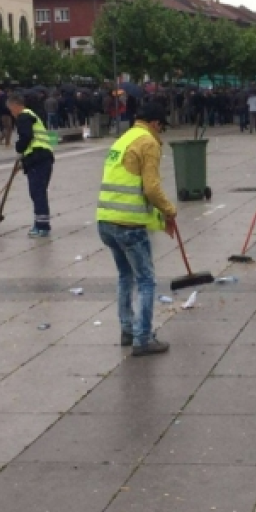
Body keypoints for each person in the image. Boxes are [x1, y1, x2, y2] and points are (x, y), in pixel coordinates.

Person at [97, 102, 177, 357]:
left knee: (125, 276)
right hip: (128, 223)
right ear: (155, 123)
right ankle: (142, 338)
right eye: (161, 128)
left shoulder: (123, 139)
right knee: (146, 280)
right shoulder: (147, 142)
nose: (160, 133)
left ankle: (128, 330)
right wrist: (169, 210)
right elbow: (151, 188)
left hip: (105, 220)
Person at [7, 93, 55, 238]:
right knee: (38, 192)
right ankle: (40, 223)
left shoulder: (23, 117)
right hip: (42, 157)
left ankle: (42, 226)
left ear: (15, 106)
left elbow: (26, 137)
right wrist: (24, 162)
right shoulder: (31, 115)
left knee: (37, 192)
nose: (11, 113)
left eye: (10, 110)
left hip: (38, 158)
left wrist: (19, 149)